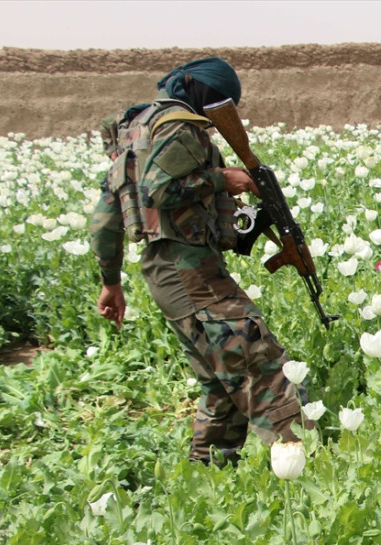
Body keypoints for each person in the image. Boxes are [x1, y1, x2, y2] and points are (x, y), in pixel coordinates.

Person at [89, 57, 311, 466]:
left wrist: (111, 281)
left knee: (220, 382)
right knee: (262, 364)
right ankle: (308, 465)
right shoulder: (179, 127)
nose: (216, 111)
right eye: (219, 101)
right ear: (199, 91)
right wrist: (221, 179)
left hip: (166, 274)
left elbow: (105, 219)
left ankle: (209, 478)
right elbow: (159, 190)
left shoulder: (134, 134)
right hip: (191, 275)